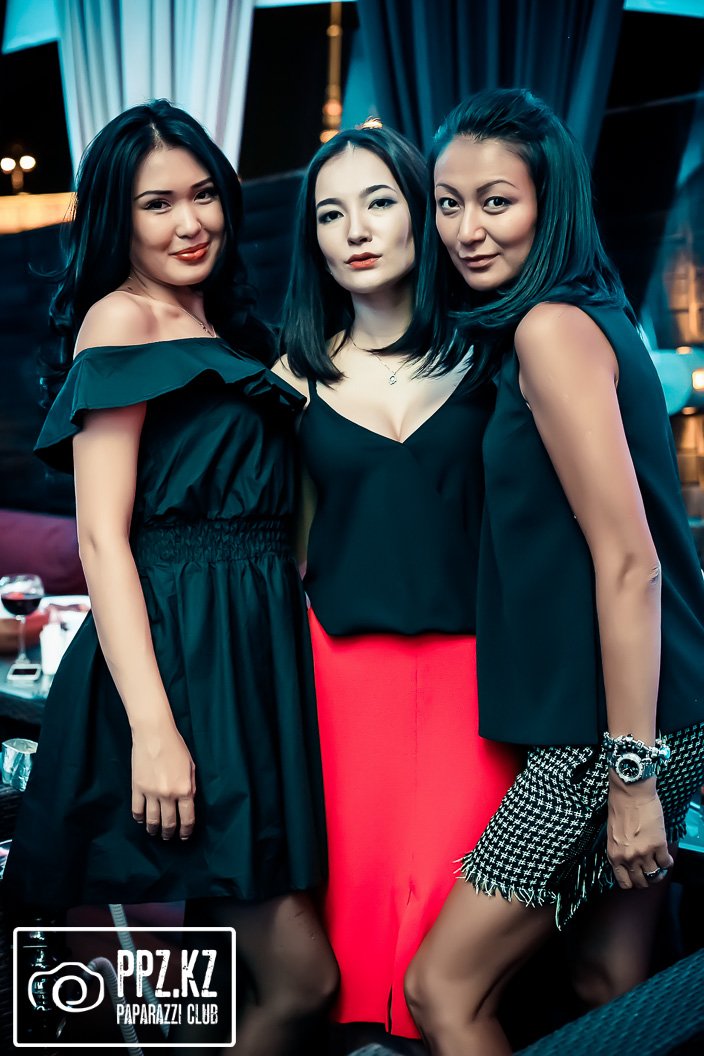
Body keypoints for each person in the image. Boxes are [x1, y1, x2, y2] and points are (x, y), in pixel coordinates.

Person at [3, 99, 338, 1056]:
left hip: (254, 650)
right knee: (301, 978)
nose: (190, 222)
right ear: (120, 219)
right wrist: (155, 730)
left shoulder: (227, 326)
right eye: (157, 204)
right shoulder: (122, 318)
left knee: (223, 972)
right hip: (184, 662)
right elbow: (102, 539)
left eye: (203, 195)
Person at [402, 87, 704, 1055]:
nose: (466, 230)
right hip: (660, 709)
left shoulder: (549, 331)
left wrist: (630, 777)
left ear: (549, 202)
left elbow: (629, 563)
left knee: (442, 989)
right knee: (608, 980)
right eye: (448, 203)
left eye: (496, 201)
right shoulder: (589, 315)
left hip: (605, 735)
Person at [274, 123, 520, 1046]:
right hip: (340, 685)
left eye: (379, 202)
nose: (356, 230)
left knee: (447, 957)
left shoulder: (496, 356)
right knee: (354, 945)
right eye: (330, 214)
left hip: (478, 681)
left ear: (421, 212)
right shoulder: (290, 378)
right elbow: (284, 546)